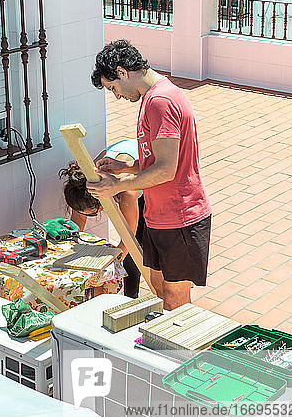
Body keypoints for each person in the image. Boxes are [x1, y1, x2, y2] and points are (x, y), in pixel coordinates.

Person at [87, 39, 211, 311]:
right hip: (159, 214)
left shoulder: (160, 101)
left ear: (122, 72)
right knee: (158, 290)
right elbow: (158, 161)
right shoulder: (151, 98)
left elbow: (167, 170)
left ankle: (180, 352)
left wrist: (118, 184)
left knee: (174, 297)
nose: (116, 95)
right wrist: (126, 167)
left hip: (180, 215)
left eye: (113, 88)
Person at [59, 139, 144, 298]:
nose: (89, 217)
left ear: (102, 199)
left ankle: (131, 298)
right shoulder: (83, 182)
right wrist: (69, 249)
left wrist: (112, 264)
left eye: (93, 213)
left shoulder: (126, 190)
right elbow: (77, 224)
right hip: (119, 167)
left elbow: (129, 235)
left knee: (135, 251)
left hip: (143, 178)